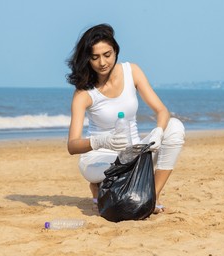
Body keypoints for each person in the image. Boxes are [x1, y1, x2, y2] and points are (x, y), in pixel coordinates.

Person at [66, 23, 185, 214]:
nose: (102, 62)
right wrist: (102, 141)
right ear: (87, 59)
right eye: (95, 57)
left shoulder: (132, 71)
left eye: (107, 54)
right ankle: (99, 183)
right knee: (125, 165)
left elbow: (162, 111)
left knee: (175, 127)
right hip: (98, 160)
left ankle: (151, 197)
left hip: (133, 152)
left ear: (115, 52)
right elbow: (72, 146)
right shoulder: (84, 93)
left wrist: (158, 133)